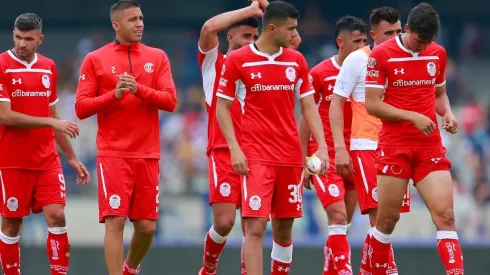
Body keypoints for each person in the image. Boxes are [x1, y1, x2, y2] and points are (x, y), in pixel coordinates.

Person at [216, 1, 328, 275]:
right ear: (273, 28)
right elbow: (222, 106)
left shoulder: (296, 60)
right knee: (255, 227)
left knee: (283, 228)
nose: (295, 34)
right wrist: (235, 149)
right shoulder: (238, 59)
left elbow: (309, 106)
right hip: (256, 156)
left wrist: (322, 147)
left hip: (289, 156)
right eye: (290, 28)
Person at [75, 1, 177, 274]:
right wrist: (114, 95)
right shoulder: (95, 59)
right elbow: (81, 107)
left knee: (146, 227)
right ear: (116, 25)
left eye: (141, 18)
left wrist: (140, 89)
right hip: (113, 154)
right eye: (132, 19)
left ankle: (130, 268)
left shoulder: (158, 57)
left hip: (148, 153)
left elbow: (170, 101)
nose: (140, 24)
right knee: (115, 221)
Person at [364, 3, 464, 275]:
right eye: (420, 40)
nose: (424, 46)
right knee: (387, 220)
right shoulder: (381, 55)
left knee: (446, 217)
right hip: (395, 145)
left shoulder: (437, 53)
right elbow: (372, 104)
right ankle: (370, 270)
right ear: (407, 29)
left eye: (430, 41)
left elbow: (440, 94)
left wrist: (449, 113)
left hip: (429, 145)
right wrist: (412, 116)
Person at [0, 13, 89, 275]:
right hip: (13, 161)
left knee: (57, 216)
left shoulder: (48, 66)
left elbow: (54, 116)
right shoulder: (2, 65)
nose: (22, 43)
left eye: (28, 38)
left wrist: (71, 157)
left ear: (40, 39)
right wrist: (51, 124)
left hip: (47, 159)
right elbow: (5, 116)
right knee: (12, 224)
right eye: (18, 37)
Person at [329, 7, 404, 274]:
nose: (395, 37)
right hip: (367, 147)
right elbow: (335, 104)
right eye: (388, 33)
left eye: (399, 32)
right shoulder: (357, 61)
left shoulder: (403, 59)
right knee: (379, 219)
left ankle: (369, 270)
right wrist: (340, 148)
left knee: (389, 220)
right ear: (373, 35)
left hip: (396, 148)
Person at [298, 16, 368, 275]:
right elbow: (306, 119)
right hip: (324, 155)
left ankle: (331, 269)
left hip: (356, 154)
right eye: (356, 41)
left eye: (365, 41)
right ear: (340, 42)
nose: (362, 47)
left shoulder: (369, 71)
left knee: (343, 223)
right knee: (337, 216)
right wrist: (304, 161)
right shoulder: (318, 73)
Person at [197, 2, 261, 274]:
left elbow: (293, 40)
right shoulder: (215, 62)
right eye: (246, 36)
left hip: (257, 153)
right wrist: (251, 9)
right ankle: (208, 268)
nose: (251, 42)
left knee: (253, 226)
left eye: (255, 38)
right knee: (224, 223)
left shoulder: (259, 67)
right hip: (223, 150)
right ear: (230, 36)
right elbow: (208, 27)